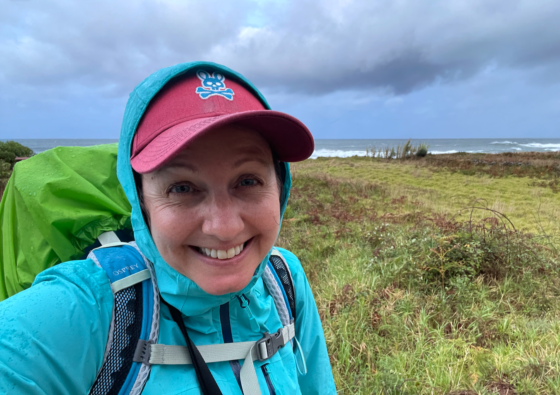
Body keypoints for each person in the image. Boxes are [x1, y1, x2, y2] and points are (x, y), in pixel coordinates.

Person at [0, 61, 337, 394]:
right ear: (141, 199)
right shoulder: (89, 308)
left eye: (248, 180)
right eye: (182, 188)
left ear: (280, 185)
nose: (223, 227)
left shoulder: (284, 279)